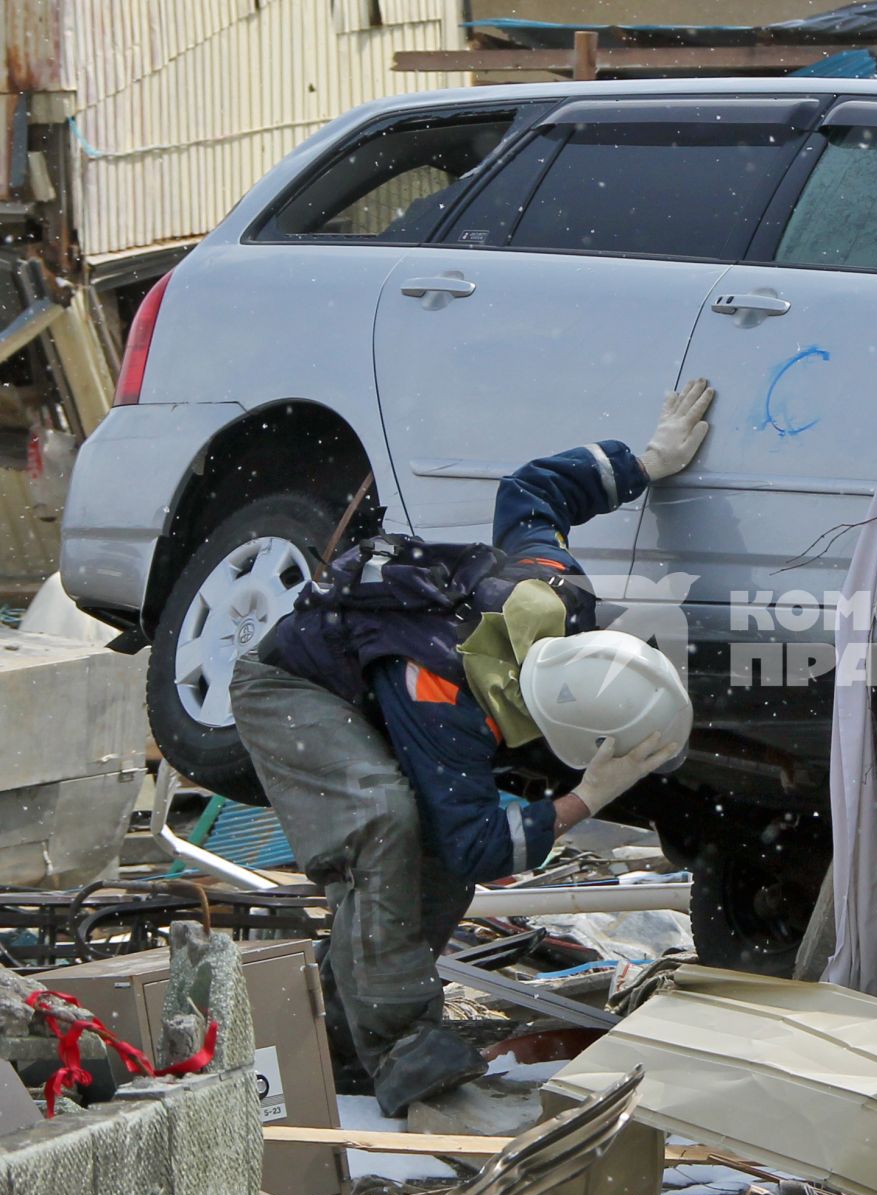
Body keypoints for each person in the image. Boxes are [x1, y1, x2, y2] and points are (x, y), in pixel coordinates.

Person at [229, 379, 714, 1116]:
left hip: (364, 680)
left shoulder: (551, 590)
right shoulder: (445, 698)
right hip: (290, 688)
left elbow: (533, 489)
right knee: (386, 822)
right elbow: (476, 847)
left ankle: (333, 1031)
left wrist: (645, 462)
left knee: (426, 848)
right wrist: (586, 797)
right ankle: (404, 1050)